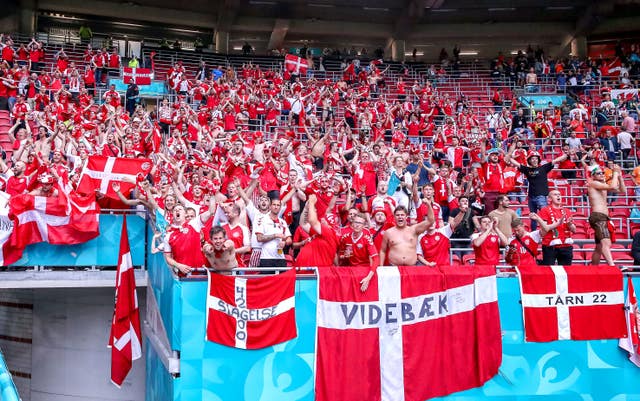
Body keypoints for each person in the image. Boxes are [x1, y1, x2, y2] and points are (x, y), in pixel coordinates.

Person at [505, 141, 568, 228]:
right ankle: (534, 235)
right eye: (532, 159)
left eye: (536, 158)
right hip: (531, 197)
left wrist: (565, 155)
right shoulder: (527, 170)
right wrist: (509, 155)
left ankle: (548, 233)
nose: (534, 160)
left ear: (538, 160)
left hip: (541, 196)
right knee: (533, 218)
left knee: (545, 217)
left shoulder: (543, 168)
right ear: (529, 161)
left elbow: (556, 160)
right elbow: (516, 163)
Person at [587, 164, 625, 266]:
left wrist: (620, 177)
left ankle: (593, 267)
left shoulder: (602, 185)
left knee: (599, 247)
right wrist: (615, 172)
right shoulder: (593, 183)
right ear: (593, 176)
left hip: (602, 217)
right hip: (598, 216)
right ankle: (612, 266)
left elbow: (623, 190)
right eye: (598, 173)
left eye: (602, 172)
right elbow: (612, 186)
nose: (602, 174)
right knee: (606, 243)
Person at [533, 190, 576, 265]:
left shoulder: (567, 211)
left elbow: (574, 230)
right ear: (549, 199)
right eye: (555, 194)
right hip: (550, 246)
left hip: (566, 246)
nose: (558, 196)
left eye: (559, 194)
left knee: (566, 271)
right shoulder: (544, 210)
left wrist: (569, 224)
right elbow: (544, 229)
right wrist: (558, 223)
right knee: (549, 272)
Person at [254, 197, 292, 269]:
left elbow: (289, 239)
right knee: (266, 280)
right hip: (266, 258)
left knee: (281, 279)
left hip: (280, 258)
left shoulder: (282, 222)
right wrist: (274, 235)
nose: (276, 207)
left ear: (280, 207)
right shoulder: (262, 220)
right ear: (270, 206)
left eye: (278, 205)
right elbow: (259, 238)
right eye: (274, 205)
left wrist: (285, 242)